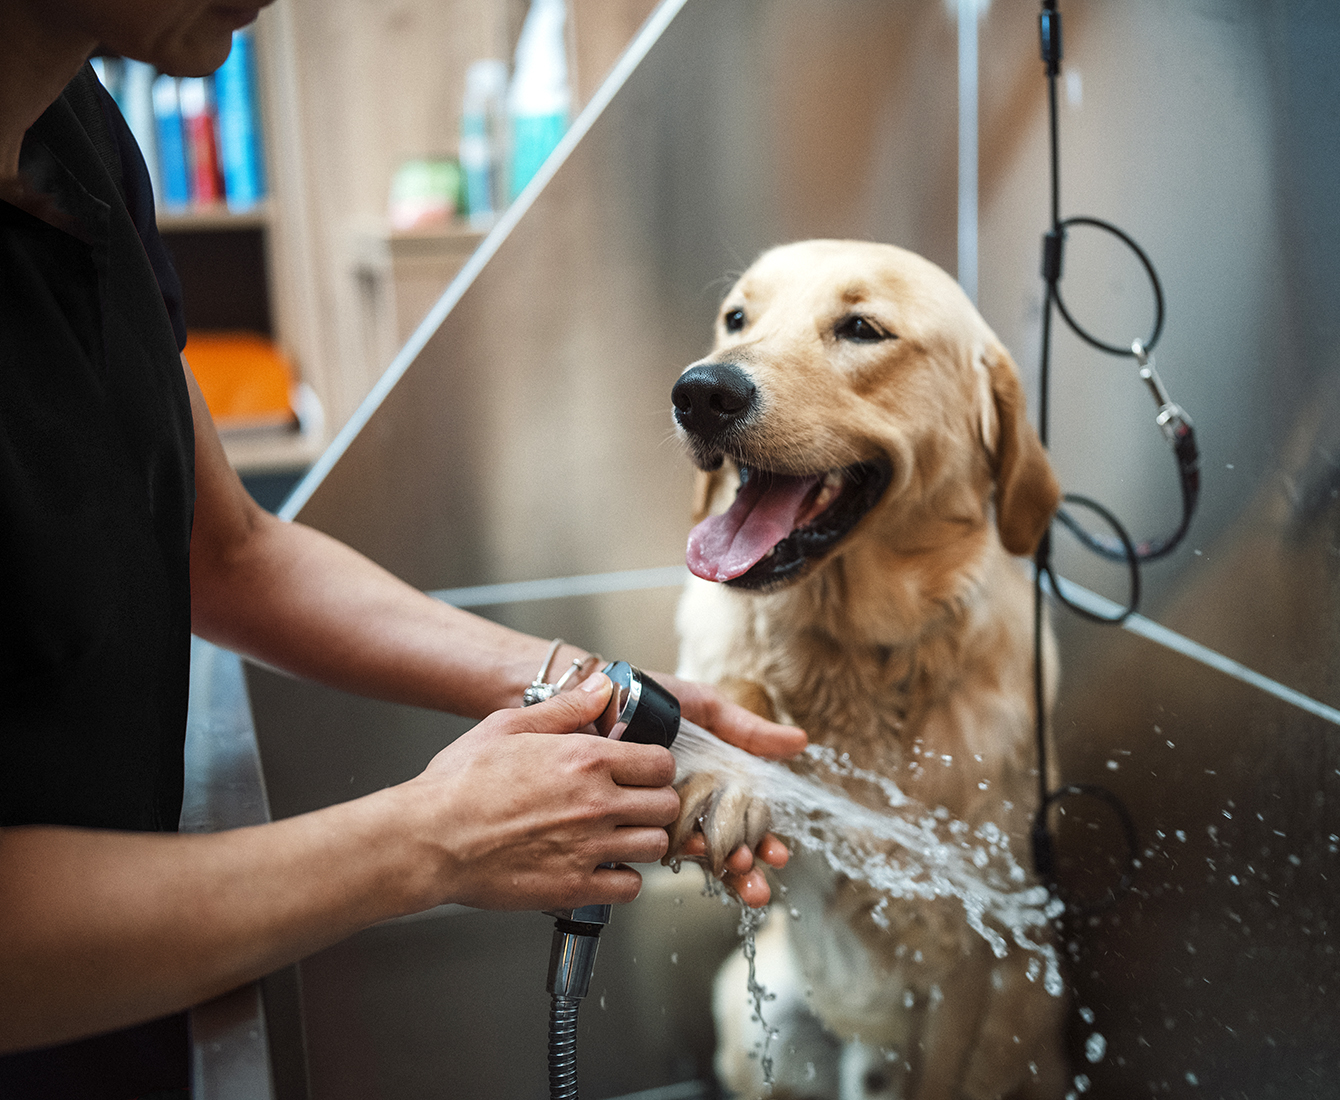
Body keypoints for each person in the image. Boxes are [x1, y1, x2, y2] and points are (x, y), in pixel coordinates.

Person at [0, 0, 806, 1095]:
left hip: (132, 1014)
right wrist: (428, 840)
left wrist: (593, 685)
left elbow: (229, 552)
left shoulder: (77, 136)